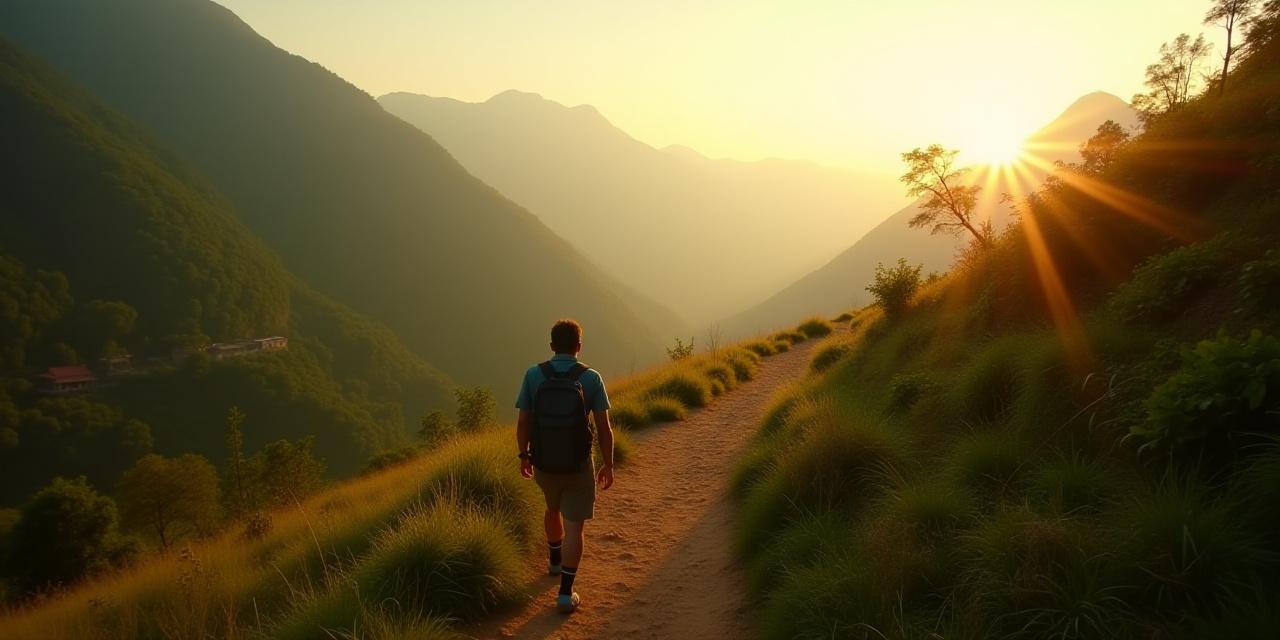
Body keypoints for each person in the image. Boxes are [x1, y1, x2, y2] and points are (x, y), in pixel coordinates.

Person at [516, 319, 615, 614]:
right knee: (575, 528)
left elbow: (524, 422)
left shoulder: (534, 375)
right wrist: (608, 464)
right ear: (579, 347)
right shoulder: (591, 378)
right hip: (578, 465)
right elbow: (604, 428)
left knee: (552, 508)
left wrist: (524, 456)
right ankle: (565, 593)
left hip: (544, 463)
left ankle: (554, 562)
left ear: (551, 346)